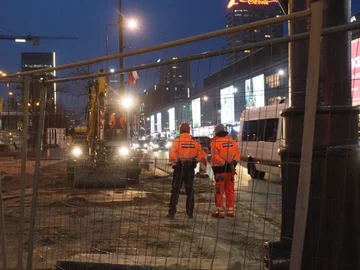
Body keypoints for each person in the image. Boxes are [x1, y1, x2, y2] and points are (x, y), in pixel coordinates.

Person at [168, 122, 207, 219]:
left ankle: (172, 212)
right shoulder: (196, 144)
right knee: (190, 191)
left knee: (175, 191)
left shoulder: (176, 143)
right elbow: (202, 156)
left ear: (180, 131)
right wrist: (194, 161)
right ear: (189, 131)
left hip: (179, 169)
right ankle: (190, 212)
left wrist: (177, 163)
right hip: (190, 169)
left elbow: (172, 157)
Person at [211, 124, 240, 218]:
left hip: (220, 171)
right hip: (230, 170)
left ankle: (220, 212)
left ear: (216, 132)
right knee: (230, 189)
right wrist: (232, 164)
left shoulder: (215, 142)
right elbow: (237, 155)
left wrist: (224, 164)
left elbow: (215, 156)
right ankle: (230, 210)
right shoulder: (232, 141)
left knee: (219, 190)